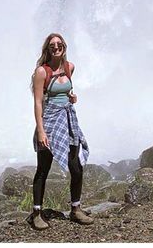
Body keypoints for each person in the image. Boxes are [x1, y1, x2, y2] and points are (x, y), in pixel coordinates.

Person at [29, 32, 93, 230]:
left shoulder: (69, 67)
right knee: (43, 169)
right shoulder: (42, 72)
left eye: (59, 44)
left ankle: (76, 209)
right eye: (52, 46)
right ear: (47, 50)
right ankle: (37, 214)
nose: (56, 47)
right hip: (49, 122)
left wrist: (72, 97)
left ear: (64, 46)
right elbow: (38, 102)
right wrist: (41, 131)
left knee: (76, 166)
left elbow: (66, 91)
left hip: (68, 120)